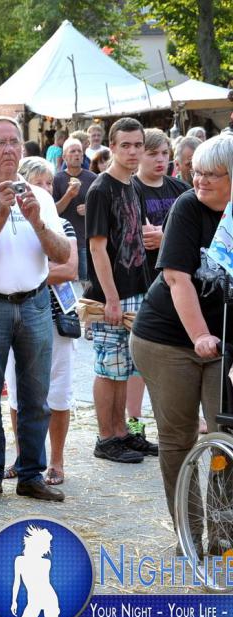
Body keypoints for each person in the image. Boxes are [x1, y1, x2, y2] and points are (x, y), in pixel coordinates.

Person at [0, 116, 70, 504]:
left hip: (35, 303)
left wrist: (37, 222)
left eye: (14, 142)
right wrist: (0, 215)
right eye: (1, 142)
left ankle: (30, 474)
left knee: (36, 395)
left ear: (23, 149)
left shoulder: (40, 197)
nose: (9, 149)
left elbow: (62, 254)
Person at [131, 133, 233, 550]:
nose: (200, 180)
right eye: (196, 172)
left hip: (223, 342)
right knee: (179, 438)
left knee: (226, 434)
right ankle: (188, 532)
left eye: (212, 174)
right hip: (168, 339)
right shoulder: (188, 207)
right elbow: (176, 278)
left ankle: (223, 532)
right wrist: (200, 335)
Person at [85, 117, 156, 464]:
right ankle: (106, 437)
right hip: (109, 294)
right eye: (125, 145)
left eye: (138, 145)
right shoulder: (100, 189)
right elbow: (97, 248)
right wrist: (111, 297)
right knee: (108, 367)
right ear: (111, 147)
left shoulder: (134, 185)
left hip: (137, 288)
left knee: (126, 367)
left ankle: (122, 432)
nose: (132, 151)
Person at [4, 157, 78, 485]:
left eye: (49, 183)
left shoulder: (63, 224)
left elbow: (70, 268)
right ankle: (23, 457)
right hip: (17, 314)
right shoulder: (11, 223)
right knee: (17, 391)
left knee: (58, 389)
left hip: (57, 316)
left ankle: (57, 461)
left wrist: (27, 272)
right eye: (38, 183)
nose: (45, 189)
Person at [129, 129, 189, 434]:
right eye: (153, 154)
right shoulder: (131, 188)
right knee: (139, 359)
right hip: (143, 279)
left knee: (180, 353)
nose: (160, 160)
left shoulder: (181, 188)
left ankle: (183, 416)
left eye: (165, 153)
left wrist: (166, 237)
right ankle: (134, 420)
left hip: (178, 279)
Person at [52, 138, 97, 282]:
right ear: (64, 157)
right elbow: (54, 212)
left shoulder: (93, 178)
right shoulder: (56, 179)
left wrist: (89, 209)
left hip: (85, 240)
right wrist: (69, 195)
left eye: (79, 151)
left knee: (84, 282)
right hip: (63, 241)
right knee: (67, 283)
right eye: (72, 151)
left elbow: (104, 209)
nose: (77, 154)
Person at [11, 525, 59, 617]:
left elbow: (45, 584)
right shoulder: (19, 560)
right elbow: (16, 583)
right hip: (34, 601)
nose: (46, 549)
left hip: (49, 599)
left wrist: (55, 607)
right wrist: (14, 601)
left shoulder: (46, 563)